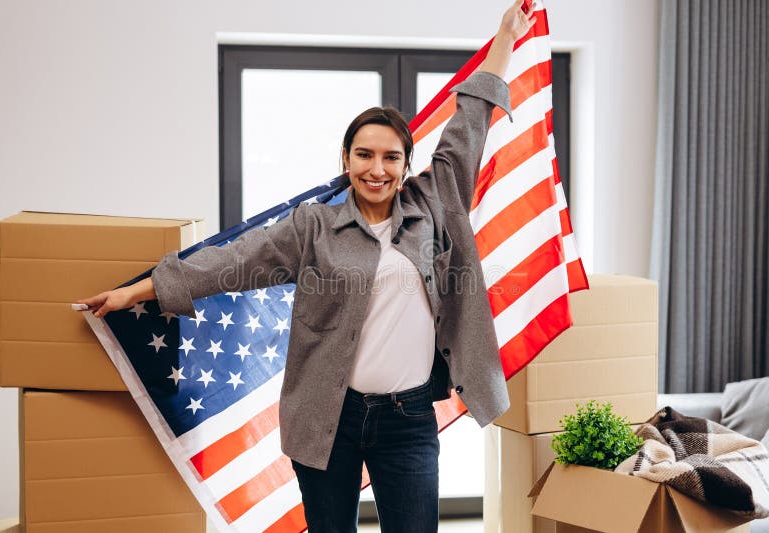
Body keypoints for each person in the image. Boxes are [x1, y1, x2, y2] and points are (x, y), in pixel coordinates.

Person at [78, 2, 536, 531]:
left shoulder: (435, 203)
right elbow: (236, 261)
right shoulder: (314, 226)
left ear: (407, 166)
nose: (377, 168)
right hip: (327, 416)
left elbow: (470, 121)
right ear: (345, 159)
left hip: (408, 417)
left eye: (391, 157)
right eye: (364, 155)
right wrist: (139, 291)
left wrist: (505, 35)